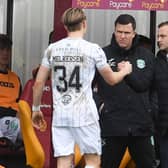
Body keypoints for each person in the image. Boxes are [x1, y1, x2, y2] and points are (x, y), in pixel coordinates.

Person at [31, 8, 132, 168]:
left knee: (63, 159)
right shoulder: (93, 49)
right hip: (85, 114)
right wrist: (125, 71)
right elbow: (111, 80)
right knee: (92, 160)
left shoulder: (52, 49)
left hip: (61, 114)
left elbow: (38, 83)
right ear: (84, 24)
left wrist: (36, 109)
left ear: (65, 26)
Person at [94, 14, 156, 168]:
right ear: (114, 32)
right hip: (112, 125)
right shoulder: (102, 55)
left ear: (134, 33)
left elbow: (148, 85)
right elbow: (87, 86)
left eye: (127, 33)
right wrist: (101, 105)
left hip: (140, 126)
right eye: (119, 32)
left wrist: (151, 110)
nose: (122, 36)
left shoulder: (146, 56)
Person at [0, 34, 22, 148]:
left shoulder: (15, 78)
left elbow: (21, 104)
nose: (5, 53)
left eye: (8, 49)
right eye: (2, 49)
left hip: (13, 122)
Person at [154, 21, 168, 168]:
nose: (158, 40)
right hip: (164, 128)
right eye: (158, 36)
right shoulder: (155, 63)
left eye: (163, 36)